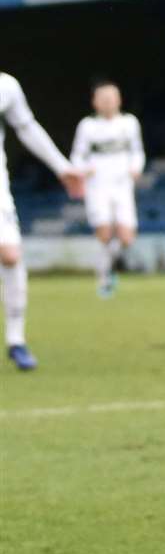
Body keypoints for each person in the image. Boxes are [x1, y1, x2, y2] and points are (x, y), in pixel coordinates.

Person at [0, 72, 84, 370]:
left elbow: (26, 128)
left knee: (10, 256)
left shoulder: (6, 86)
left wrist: (62, 167)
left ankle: (16, 340)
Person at [70, 81, 145, 298]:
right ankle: (104, 277)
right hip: (97, 186)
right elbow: (77, 155)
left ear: (119, 100)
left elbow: (137, 151)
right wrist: (84, 169)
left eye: (111, 98)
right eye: (103, 98)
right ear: (95, 102)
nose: (108, 102)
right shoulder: (87, 126)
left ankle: (107, 267)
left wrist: (136, 168)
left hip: (122, 185)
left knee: (127, 237)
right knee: (104, 232)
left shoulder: (130, 123)